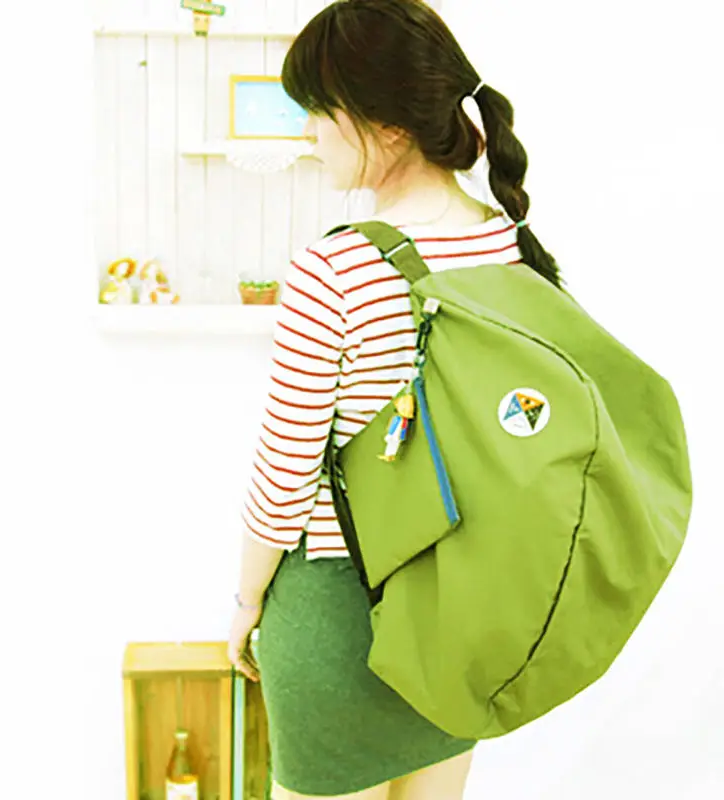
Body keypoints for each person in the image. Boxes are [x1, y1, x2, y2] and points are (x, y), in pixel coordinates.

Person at [227, 1, 563, 798]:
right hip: (460, 609)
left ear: (385, 125)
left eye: (321, 111)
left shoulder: (334, 270)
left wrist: (245, 601)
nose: (310, 134)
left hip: (341, 617)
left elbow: (285, 474)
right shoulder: (508, 241)